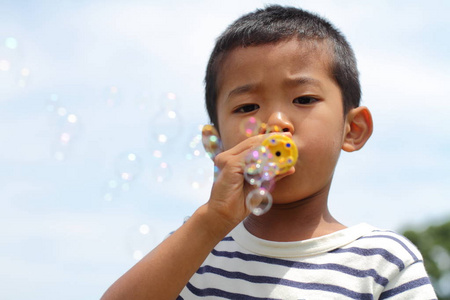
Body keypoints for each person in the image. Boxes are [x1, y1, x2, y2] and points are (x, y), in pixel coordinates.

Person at [102, 5, 437, 299]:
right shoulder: (196, 250)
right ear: (215, 145)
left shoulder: (383, 262)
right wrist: (211, 221)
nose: (275, 124)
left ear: (352, 129)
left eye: (303, 99)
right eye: (248, 106)